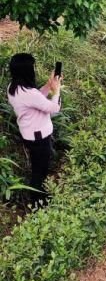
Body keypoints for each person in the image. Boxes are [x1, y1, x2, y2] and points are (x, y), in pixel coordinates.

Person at [7, 53, 62, 197]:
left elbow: (35, 97)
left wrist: (48, 85)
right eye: (32, 67)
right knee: (40, 172)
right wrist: (56, 90)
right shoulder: (29, 94)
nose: (34, 70)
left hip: (30, 135)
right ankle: (38, 203)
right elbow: (54, 108)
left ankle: (38, 198)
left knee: (38, 168)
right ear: (27, 71)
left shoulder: (13, 88)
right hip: (39, 138)